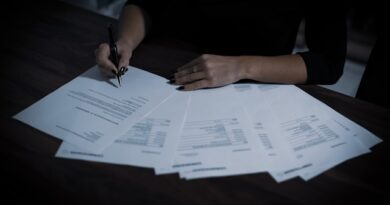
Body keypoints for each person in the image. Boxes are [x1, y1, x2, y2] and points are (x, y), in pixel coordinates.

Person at [96, 1, 346, 91]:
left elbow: (328, 62)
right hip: (161, 68)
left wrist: (241, 66)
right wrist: (125, 42)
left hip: (252, 85)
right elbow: (145, 2)